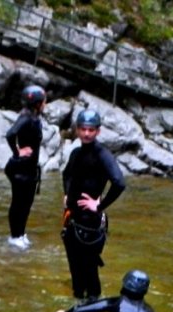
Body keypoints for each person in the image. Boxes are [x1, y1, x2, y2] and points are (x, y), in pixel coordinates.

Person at [61, 109, 126, 301]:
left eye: (91, 130)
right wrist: (67, 194)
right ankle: (77, 303)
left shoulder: (102, 155)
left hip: (91, 223)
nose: (86, 133)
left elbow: (119, 183)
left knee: (89, 270)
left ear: (98, 131)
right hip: (72, 220)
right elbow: (66, 174)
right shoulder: (76, 153)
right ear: (77, 130)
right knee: (75, 269)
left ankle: (93, 303)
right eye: (83, 129)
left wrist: (99, 206)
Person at [4, 84, 46, 249]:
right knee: (18, 203)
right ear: (37, 103)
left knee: (26, 203)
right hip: (20, 168)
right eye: (43, 101)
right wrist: (17, 152)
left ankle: (21, 234)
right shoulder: (26, 118)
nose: (45, 104)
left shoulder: (34, 117)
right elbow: (10, 134)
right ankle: (14, 236)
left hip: (29, 169)